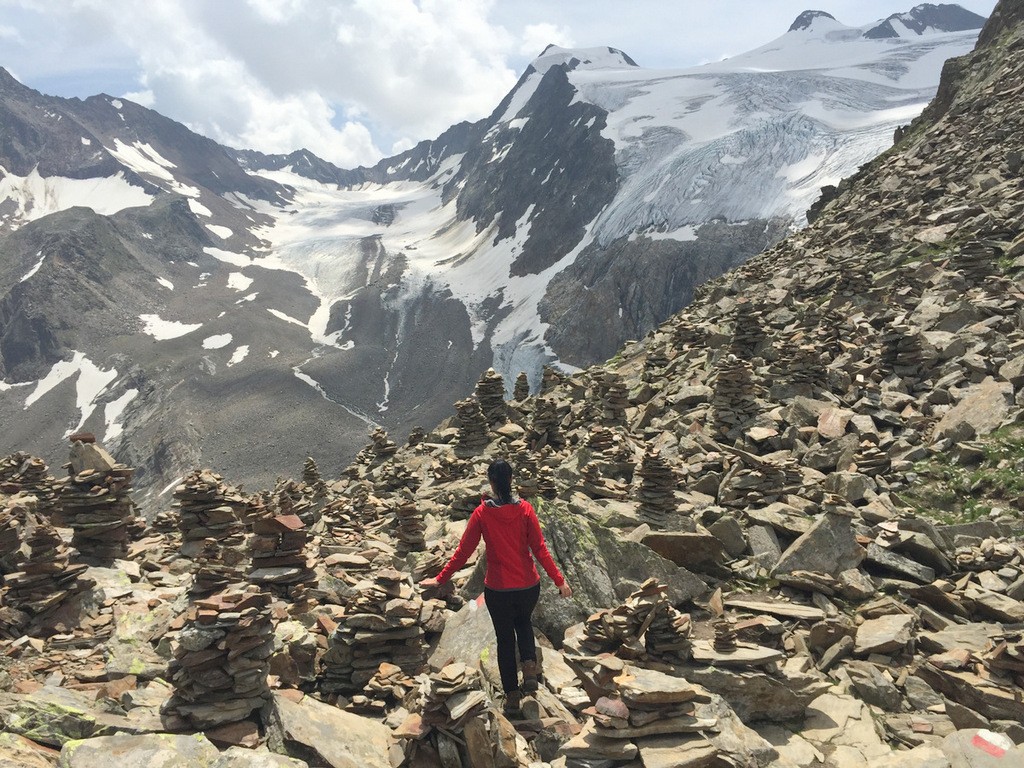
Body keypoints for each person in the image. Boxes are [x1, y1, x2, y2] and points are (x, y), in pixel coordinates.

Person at [420, 458, 572, 716]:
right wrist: (559, 580)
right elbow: (540, 549)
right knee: (524, 623)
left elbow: (463, 552)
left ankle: (512, 695)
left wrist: (440, 579)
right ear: (511, 480)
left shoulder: (482, 514)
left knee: (504, 638)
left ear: (491, 482)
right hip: (527, 586)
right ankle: (530, 669)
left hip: (499, 589)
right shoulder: (525, 510)